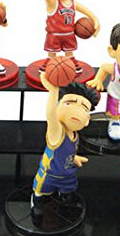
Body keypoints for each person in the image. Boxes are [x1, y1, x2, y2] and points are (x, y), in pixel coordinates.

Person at [31, 74, 99, 217]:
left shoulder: (75, 135)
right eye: (69, 103)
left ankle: (64, 197)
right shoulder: (57, 132)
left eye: (84, 108)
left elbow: (67, 151)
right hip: (49, 174)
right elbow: (50, 116)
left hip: (68, 174)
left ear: (87, 120)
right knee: (40, 190)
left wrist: (74, 158)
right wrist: (53, 92)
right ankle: (36, 199)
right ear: (58, 107)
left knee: (68, 191)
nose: (77, 110)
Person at [36, 0, 100, 73]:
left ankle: (71, 62)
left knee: (69, 52)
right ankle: (49, 63)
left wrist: (95, 20)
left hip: (69, 33)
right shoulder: (53, 3)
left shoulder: (73, 3)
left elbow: (87, 11)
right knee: (52, 53)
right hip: (54, 34)